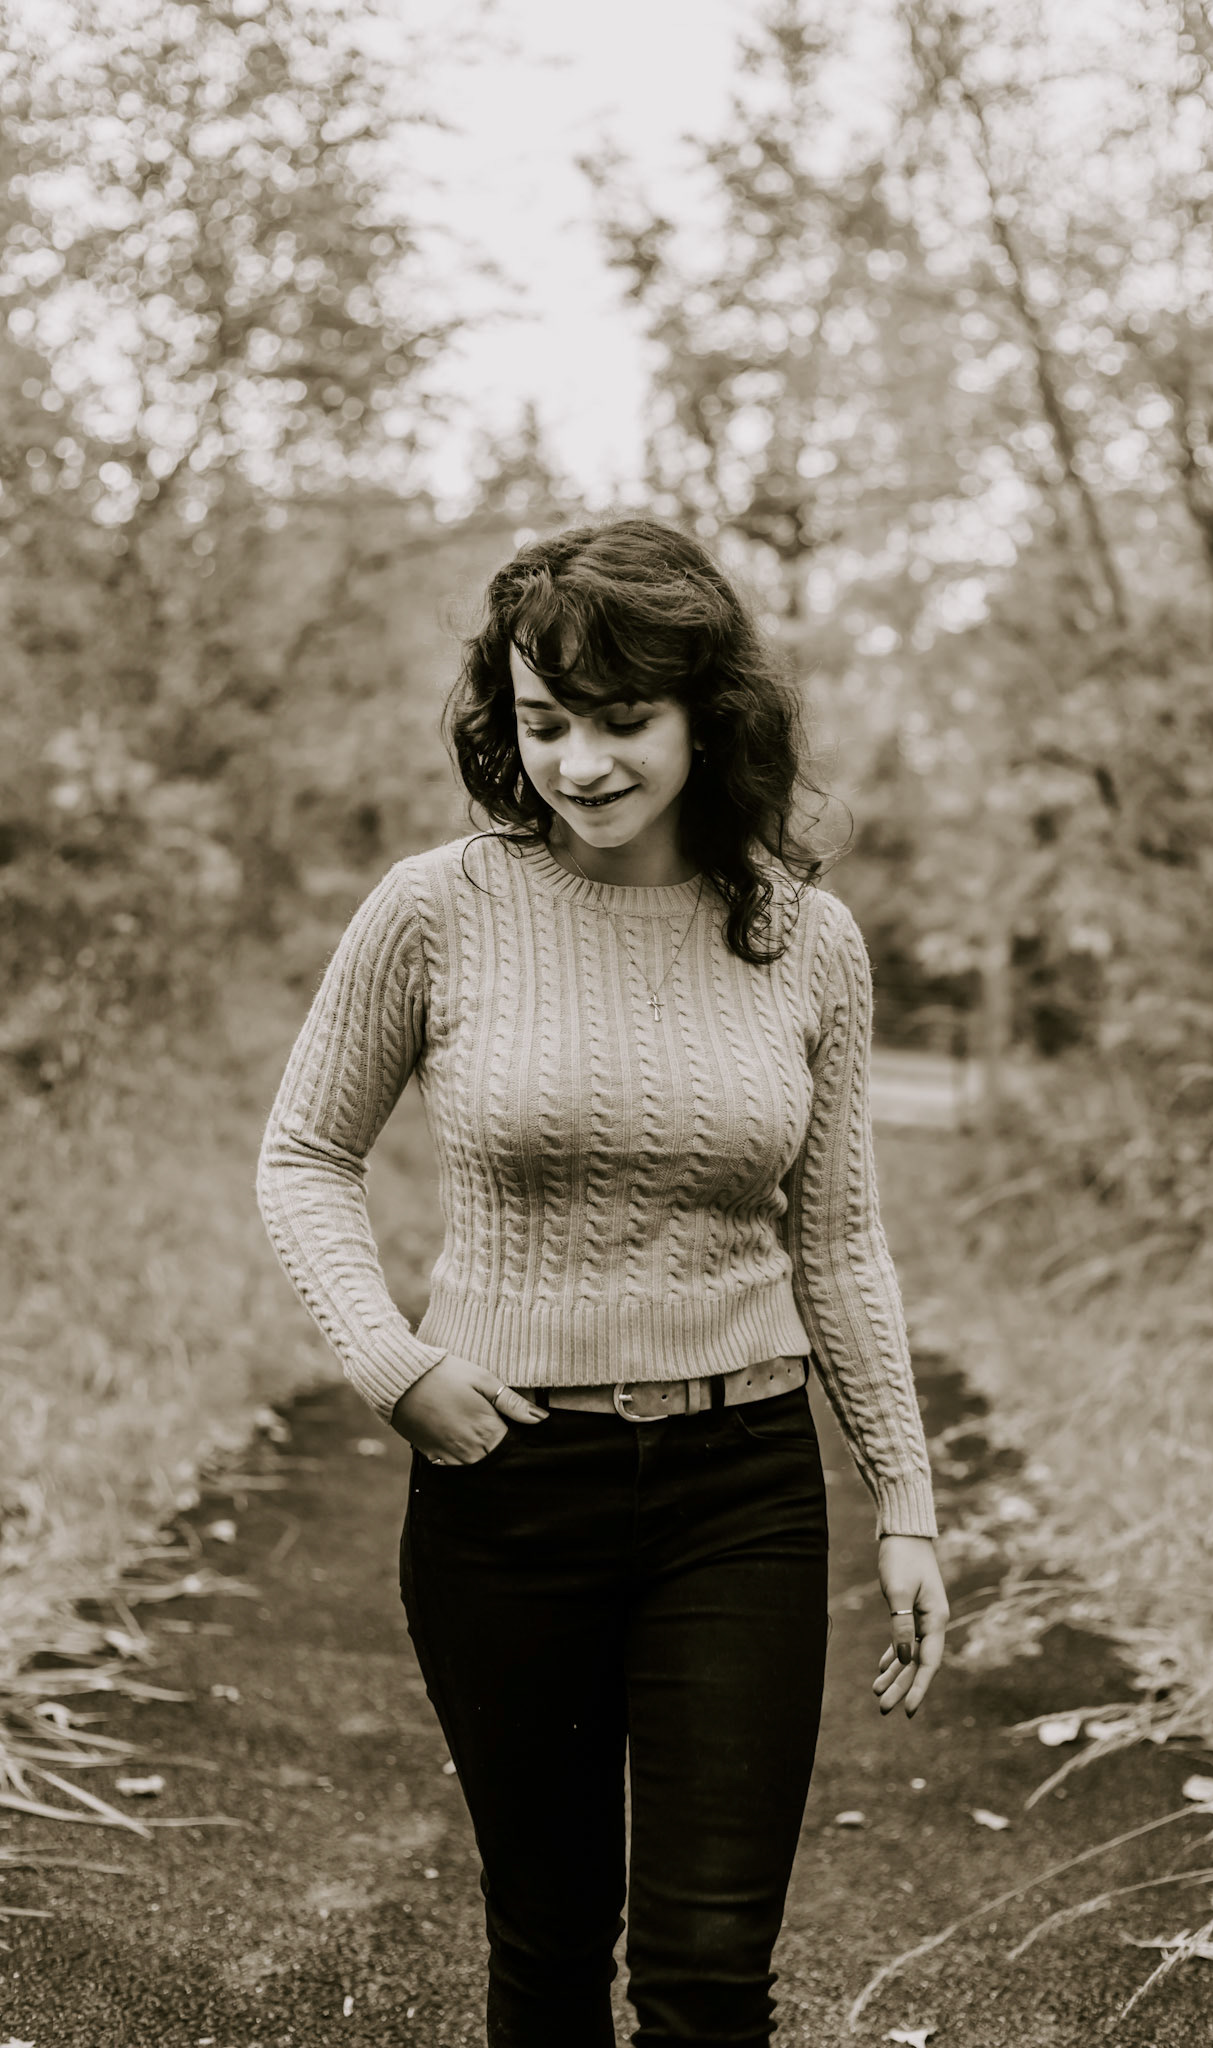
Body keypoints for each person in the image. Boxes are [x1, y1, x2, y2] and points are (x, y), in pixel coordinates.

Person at [256, 518, 947, 2048]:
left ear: (707, 713)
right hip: (509, 1486)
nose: (579, 762)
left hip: (739, 1488)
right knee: (550, 1945)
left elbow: (837, 1241)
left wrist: (902, 1495)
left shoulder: (806, 940)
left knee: (709, 1978)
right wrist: (393, 1366)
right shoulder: (435, 907)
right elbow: (303, 1154)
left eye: (622, 719)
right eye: (543, 721)